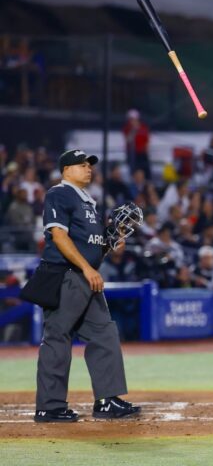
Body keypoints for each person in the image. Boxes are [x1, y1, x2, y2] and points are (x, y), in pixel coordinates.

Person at [31, 149, 140, 422]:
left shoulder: (88, 202)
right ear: (66, 170)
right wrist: (87, 267)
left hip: (85, 278)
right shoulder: (59, 194)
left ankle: (107, 400)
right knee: (58, 338)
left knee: (104, 333)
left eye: (89, 165)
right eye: (81, 165)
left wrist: (111, 243)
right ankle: (50, 406)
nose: (88, 168)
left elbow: (93, 247)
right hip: (66, 275)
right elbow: (57, 235)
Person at [122, 109, 150, 176]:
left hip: (142, 153)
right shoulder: (127, 128)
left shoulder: (144, 127)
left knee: (145, 169)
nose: (132, 121)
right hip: (132, 153)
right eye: (131, 119)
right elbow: (128, 140)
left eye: (134, 119)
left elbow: (147, 141)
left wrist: (146, 152)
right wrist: (134, 130)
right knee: (133, 170)